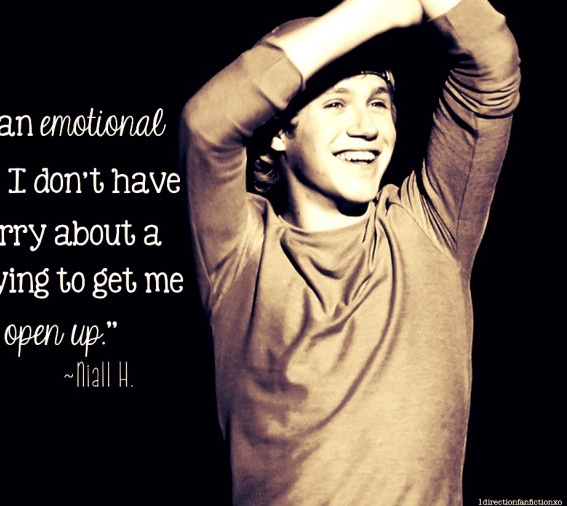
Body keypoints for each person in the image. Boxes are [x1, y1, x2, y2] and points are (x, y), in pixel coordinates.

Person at [180, 0, 520, 503]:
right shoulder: (239, 255)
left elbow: (491, 63)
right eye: (335, 103)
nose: (366, 126)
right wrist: (373, 12)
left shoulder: (430, 228)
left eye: (378, 102)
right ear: (280, 131)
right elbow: (207, 126)